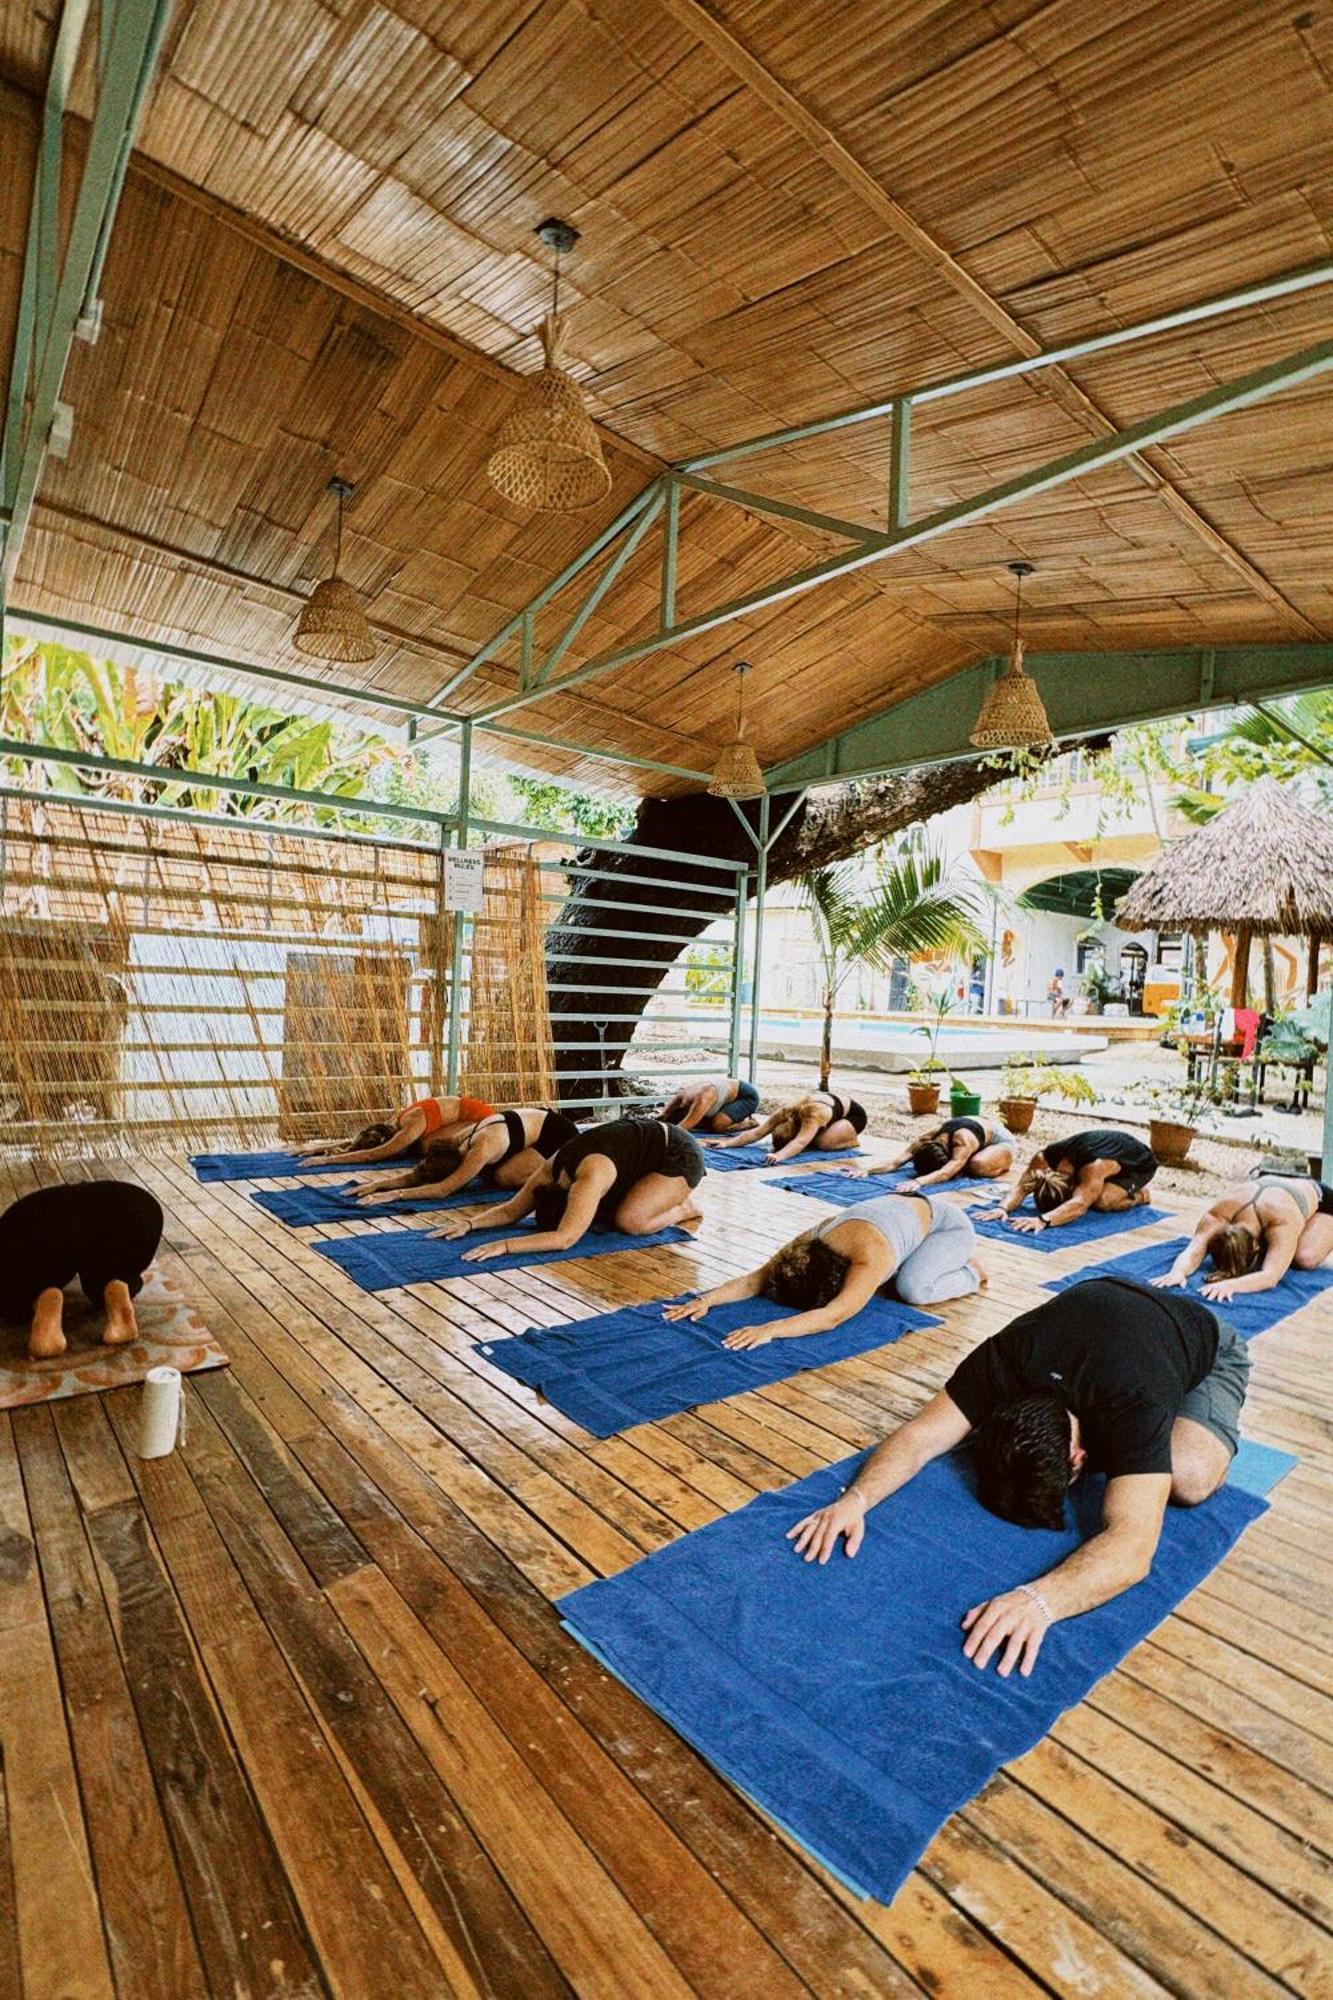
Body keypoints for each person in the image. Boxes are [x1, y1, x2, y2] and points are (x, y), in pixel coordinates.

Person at [788, 1276, 1249, 1677]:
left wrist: (1039, 1601)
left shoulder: (1133, 1404)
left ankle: (1191, 1425)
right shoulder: (1005, 1360)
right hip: (1104, 1313)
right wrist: (855, 1499)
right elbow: (919, 1436)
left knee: (1186, 1478)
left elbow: (1132, 1548)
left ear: (1078, 1457)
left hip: (1199, 1338)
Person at [664, 1191, 984, 1349]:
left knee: (912, 1290)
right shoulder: (813, 1240)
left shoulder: (869, 1257)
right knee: (888, 1282)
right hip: (903, 1219)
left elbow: (832, 1316)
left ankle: (971, 1271)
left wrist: (771, 1329)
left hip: (947, 1228)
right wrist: (707, 1299)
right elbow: (756, 1279)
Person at [430, 1115, 705, 1261]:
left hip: (678, 1153)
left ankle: (683, 1208)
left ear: (573, 1196)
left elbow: (564, 1239)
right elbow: (511, 1210)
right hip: (636, 1152)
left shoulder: (589, 1179)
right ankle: (649, 1194)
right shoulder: (550, 1171)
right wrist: (469, 1224)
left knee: (629, 1220)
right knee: (617, 1210)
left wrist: (505, 1245)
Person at [0, 1181, 165, 1360]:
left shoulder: (25, 1218)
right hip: (135, 1208)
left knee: (12, 1297)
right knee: (112, 1269)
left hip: (34, 1222)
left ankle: (42, 1295)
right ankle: (116, 1284)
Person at [1152, 1172, 1333, 1302]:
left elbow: (1270, 1276)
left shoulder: (1281, 1221)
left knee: (1304, 1258)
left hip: (1323, 1200)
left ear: (1255, 1247)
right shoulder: (1219, 1215)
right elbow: (1193, 1250)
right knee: (1282, 1249)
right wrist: (1177, 1272)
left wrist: (1230, 1285)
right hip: (1275, 1193)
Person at [350, 1106, 581, 1205]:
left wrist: (397, 1195)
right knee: (494, 1173)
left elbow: (443, 1189)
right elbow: (423, 1172)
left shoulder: (479, 1151)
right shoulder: (455, 1141)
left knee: (503, 1177)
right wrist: (380, 1185)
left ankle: (557, 1172)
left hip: (559, 1135)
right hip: (528, 1127)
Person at [978, 1128, 1157, 1234]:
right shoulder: (1043, 1158)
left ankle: (1141, 1195)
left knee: (1102, 1200)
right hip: (1110, 1152)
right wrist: (1002, 1208)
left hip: (1139, 1162)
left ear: (1073, 1188)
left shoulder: (1093, 1168)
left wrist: (1043, 1220)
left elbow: (1079, 1205)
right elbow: (1021, 1187)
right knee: (1094, 1192)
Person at [293, 1092, 496, 1166]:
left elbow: (373, 1155)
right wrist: (318, 1148)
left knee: (430, 1148)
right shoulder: (394, 1122)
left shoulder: (410, 1127)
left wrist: (329, 1160)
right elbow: (359, 1141)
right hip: (461, 1117)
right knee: (422, 1145)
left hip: (485, 1121)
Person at [704, 1088, 867, 1165]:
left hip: (853, 1116)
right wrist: (727, 1143)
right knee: (813, 1137)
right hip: (828, 1113)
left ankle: (851, 1140)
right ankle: (824, 1132)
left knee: (823, 1143)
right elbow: (758, 1132)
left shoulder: (812, 1115)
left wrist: (780, 1156)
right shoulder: (786, 1112)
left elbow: (800, 1143)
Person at [866, 1115, 1013, 1191]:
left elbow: (945, 1173)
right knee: (962, 1163)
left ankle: (998, 1162)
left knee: (977, 1165)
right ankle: (966, 1159)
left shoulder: (962, 1142)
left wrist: (918, 1181)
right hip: (976, 1133)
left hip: (1001, 1142)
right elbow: (895, 1162)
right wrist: (867, 1170)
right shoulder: (927, 1139)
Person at [660, 1075, 761, 1134]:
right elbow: (662, 1116)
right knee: (703, 1122)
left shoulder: (702, 1099)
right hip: (725, 1093)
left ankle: (748, 1123)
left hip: (746, 1096)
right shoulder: (681, 1097)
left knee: (718, 1125)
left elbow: (682, 1128)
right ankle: (731, 1115)